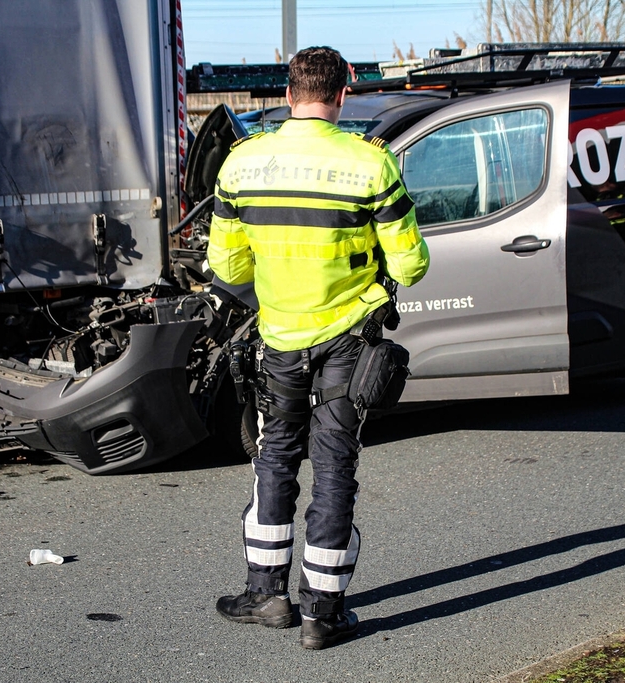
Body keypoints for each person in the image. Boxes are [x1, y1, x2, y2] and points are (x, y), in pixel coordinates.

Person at [207, 46, 430, 650]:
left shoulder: (243, 164)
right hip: (348, 337)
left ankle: (265, 593)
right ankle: (322, 613)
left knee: (275, 455)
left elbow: (225, 263)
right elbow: (411, 265)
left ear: (287, 93)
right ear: (343, 91)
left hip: (278, 334)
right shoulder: (370, 164)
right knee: (334, 463)